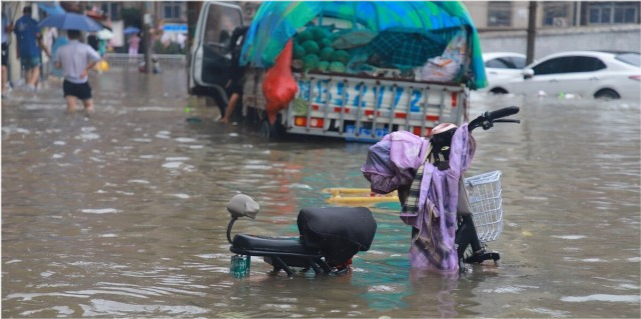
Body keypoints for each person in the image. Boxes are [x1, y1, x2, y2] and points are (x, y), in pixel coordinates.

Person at [54, 29, 101, 113]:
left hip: (68, 82)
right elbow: (97, 58)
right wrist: (86, 69)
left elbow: (57, 66)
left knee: (71, 107)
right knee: (89, 106)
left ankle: (70, 124)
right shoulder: (86, 48)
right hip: (82, 81)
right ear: (79, 36)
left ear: (68, 36)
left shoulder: (61, 49)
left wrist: (64, 64)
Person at [14, 6, 50, 91]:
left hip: (23, 51)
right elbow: (40, 40)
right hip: (33, 50)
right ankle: (30, 85)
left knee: (27, 69)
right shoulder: (34, 23)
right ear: (31, 12)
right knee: (36, 68)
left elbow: (17, 40)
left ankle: (29, 90)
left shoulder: (18, 22)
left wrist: (17, 53)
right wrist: (47, 51)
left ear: (23, 12)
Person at [219, 26, 249, 124]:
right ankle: (227, 117)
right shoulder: (259, 29)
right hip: (242, 59)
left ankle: (227, 115)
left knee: (234, 87)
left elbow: (236, 31)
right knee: (237, 91)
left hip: (237, 57)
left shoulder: (250, 27)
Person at [0, 9, 13, 97]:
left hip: (2, 43)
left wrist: (11, 26)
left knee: (2, 68)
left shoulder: (3, 16)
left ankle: (2, 90)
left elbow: (8, 29)